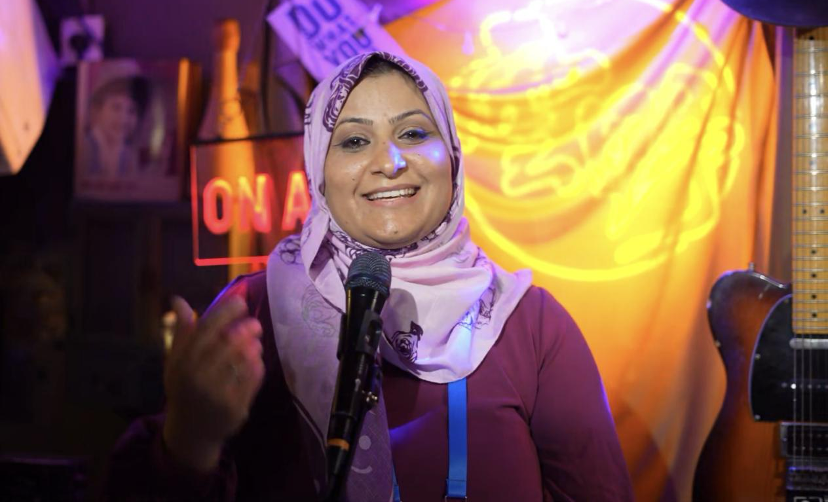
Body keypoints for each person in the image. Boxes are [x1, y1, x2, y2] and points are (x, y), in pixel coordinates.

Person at [105, 52, 634, 502]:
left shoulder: (531, 327)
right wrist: (191, 440)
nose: (391, 161)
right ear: (318, 171)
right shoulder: (258, 309)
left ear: (451, 156)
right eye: (355, 141)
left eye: (413, 132)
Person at [83, 75, 150, 178]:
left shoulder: (128, 156)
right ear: (98, 110)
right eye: (116, 107)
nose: (123, 118)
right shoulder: (83, 149)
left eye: (131, 111)